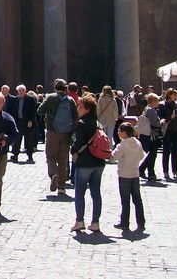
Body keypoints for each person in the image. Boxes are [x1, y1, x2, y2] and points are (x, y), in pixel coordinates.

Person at [69, 95, 106, 232]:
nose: (78, 108)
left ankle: (80, 221)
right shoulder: (98, 123)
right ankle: (95, 222)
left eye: (80, 106)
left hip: (84, 162)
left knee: (79, 192)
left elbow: (78, 143)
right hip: (99, 161)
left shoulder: (81, 123)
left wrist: (72, 150)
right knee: (96, 193)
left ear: (88, 109)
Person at [38, 78, 78, 196]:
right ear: (66, 88)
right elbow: (76, 117)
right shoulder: (70, 100)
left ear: (55, 88)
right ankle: (61, 187)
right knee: (63, 159)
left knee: (51, 156)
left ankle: (53, 174)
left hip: (52, 131)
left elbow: (40, 111)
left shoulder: (50, 98)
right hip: (66, 133)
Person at [111, 122, 146, 231]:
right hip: (135, 174)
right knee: (137, 199)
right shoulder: (138, 143)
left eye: (119, 131)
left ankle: (125, 222)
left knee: (125, 200)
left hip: (124, 174)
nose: (118, 133)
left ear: (124, 133)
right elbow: (141, 156)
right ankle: (141, 222)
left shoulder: (122, 145)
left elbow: (113, 157)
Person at [6, 84, 37, 162]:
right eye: (20, 91)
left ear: (25, 91)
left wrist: (31, 121)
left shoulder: (30, 99)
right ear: (18, 92)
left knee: (29, 140)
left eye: (22, 90)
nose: (21, 92)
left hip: (27, 122)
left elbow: (33, 111)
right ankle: (15, 155)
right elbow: (13, 111)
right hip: (18, 122)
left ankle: (30, 156)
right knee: (17, 139)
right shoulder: (15, 99)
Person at [137, 93, 163, 181]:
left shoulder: (147, 109)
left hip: (148, 134)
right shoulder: (151, 110)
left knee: (152, 154)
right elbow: (154, 123)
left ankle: (149, 172)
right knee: (152, 154)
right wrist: (161, 122)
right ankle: (144, 170)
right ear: (154, 101)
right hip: (150, 135)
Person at [158, 88, 177, 180]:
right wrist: (169, 117)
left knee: (176, 150)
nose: (175, 96)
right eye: (174, 95)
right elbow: (160, 118)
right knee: (166, 150)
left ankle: (175, 170)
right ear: (169, 95)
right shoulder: (162, 105)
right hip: (167, 130)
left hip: (176, 129)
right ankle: (165, 171)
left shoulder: (176, 105)